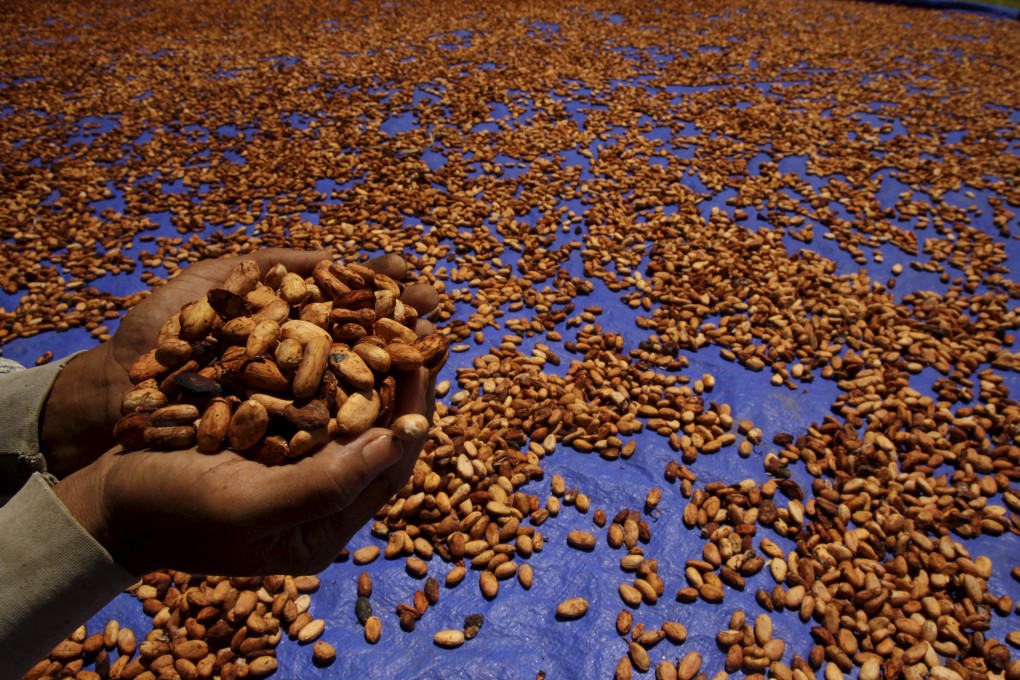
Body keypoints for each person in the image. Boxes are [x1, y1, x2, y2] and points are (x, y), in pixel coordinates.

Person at [0, 249, 439, 677]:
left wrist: (64, 415)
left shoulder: (313, 342)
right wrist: (107, 518)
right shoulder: (256, 350)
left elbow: (325, 359)